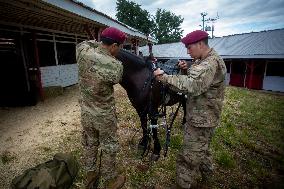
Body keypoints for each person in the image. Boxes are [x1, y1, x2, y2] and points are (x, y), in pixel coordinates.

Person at [154, 30, 227, 188]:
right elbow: (200, 80)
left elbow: (193, 85)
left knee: (188, 158)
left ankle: (183, 184)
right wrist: (186, 69)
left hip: (201, 119)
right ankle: (208, 179)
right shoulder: (206, 59)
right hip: (205, 116)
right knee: (203, 149)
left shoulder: (209, 63)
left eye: (189, 47)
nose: (187, 51)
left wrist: (164, 78)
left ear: (200, 44)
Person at [76, 27, 127, 189]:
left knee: (90, 143)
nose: (119, 50)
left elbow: (83, 43)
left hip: (86, 113)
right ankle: (110, 179)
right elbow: (115, 78)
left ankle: (90, 174)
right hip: (104, 116)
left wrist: (98, 43)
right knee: (109, 146)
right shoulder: (115, 66)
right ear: (113, 45)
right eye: (119, 47)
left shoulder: (82, 53)